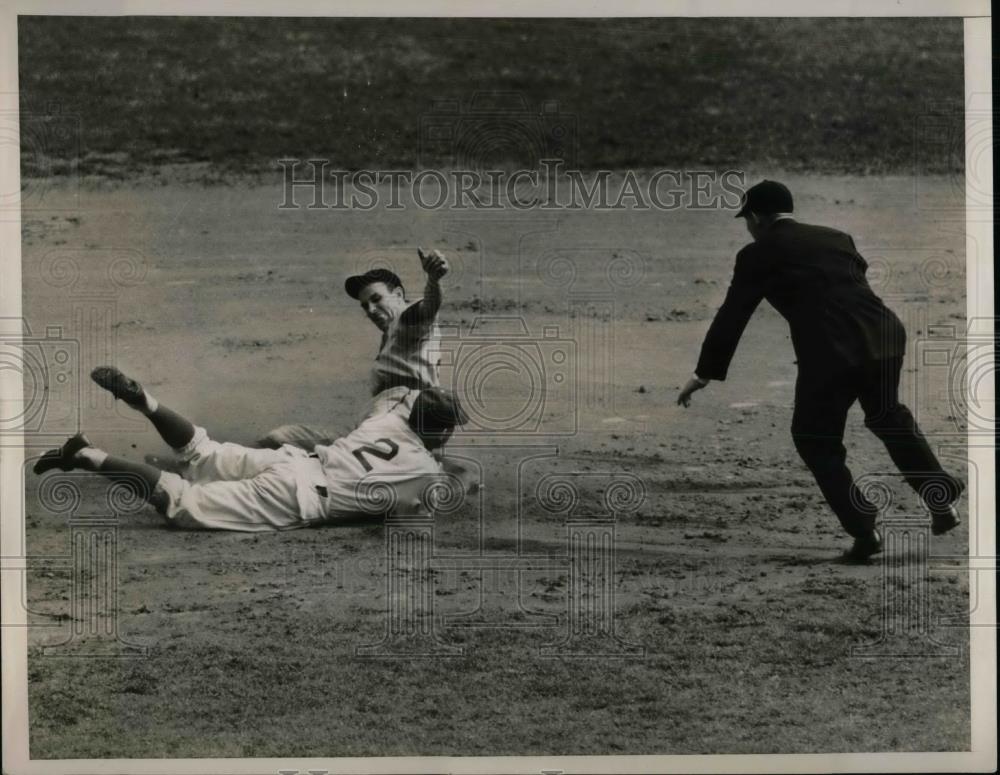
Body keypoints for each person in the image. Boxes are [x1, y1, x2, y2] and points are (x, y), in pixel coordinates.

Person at [677, 180, 963, 562]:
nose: (748, 228)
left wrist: (704, 373)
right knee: (886, 415)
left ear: (757, 217)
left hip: (831, 351)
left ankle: (864, 530)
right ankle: (939, 496)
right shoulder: (837, 237)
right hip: (884, 335)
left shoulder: (756, 255)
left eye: (747, 220)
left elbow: (733, 315)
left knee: (815, 439)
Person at [33, 367, 469, 532]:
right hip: (295, 498)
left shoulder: (386, 418)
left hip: (290, 460)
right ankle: (88, 456)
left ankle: (146, 401)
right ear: (442, 433)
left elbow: (404, 402)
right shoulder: (425, 475)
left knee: (202, 451)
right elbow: (411, 514)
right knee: (185, 504)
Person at [258, 247, 449, 449]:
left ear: (399, 294)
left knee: (280, 439)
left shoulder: (407, 320)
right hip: (391, 424)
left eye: (377, 299)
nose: (371, 310)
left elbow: (428, 308)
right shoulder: (393, 333)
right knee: (285, 439)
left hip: (398, 425)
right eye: (365, 306)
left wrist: (433, 280)